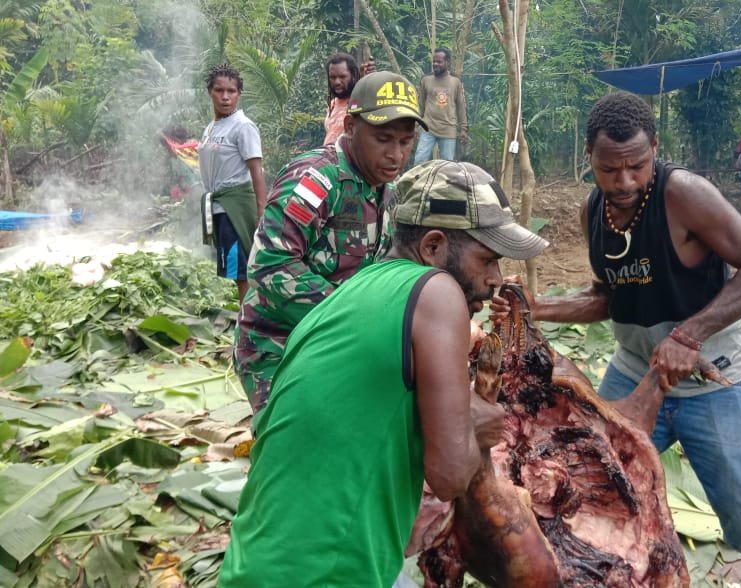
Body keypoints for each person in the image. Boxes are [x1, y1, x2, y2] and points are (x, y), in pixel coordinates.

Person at [492, 91, 741, 587]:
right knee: (590, 489)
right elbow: (606, 299)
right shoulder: (596, 211)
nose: (625, 181)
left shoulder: (684, 194)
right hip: (635, 372)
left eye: (637, 165)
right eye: (610, 170)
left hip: (715, 378)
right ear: (588, 156)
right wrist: (536, 307)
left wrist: (689, 334)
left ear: (655, 147)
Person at [218, 160, 548, 586]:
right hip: (325, 576)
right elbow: (449, 477)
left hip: (259, 565)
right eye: (487, 260)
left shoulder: (354, 290)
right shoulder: (436, 292)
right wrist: (475, 427)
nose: (495, 279)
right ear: (433, 246)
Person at [234, 71, 426, 414]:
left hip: (337, 344)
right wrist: (354, 317)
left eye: (405, 142)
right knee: (293, 450)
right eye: (383, 139)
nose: (396, 154)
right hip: (278, 346)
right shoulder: (317, 181)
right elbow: (269, 265)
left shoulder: (387, 192)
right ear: (350, 127)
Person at [198, 63, 266, 303]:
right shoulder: (212, 128)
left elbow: (256, 170)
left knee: (241, 271)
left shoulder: (243, 126)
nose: (225, 97)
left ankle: (245, 330)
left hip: (236, 208)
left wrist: (261, 211)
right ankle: (245, 323)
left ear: (239, 94)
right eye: (219, 90)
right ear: (209, 92)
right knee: (234, 269)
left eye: (231, 91)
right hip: (219, 208)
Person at [413, 48, 468, 164]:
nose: (435, 64)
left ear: (447, 62)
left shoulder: (455, 81)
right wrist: (416, 125)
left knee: (446, 166)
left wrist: (463, 129)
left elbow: (461, 107)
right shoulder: (426, 80)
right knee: (419, 161)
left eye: (439, 61)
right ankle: (418, 182)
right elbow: (420, 105)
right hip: (428, 128)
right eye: (434, 61)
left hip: (448, 129)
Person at [322, 51, 376, 145]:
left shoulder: (361, 101)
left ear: (353, 76)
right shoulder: (332, 104)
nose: (337, 82)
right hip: (329, 157)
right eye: (333, 77)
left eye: (342, 77)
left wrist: (369, 80)